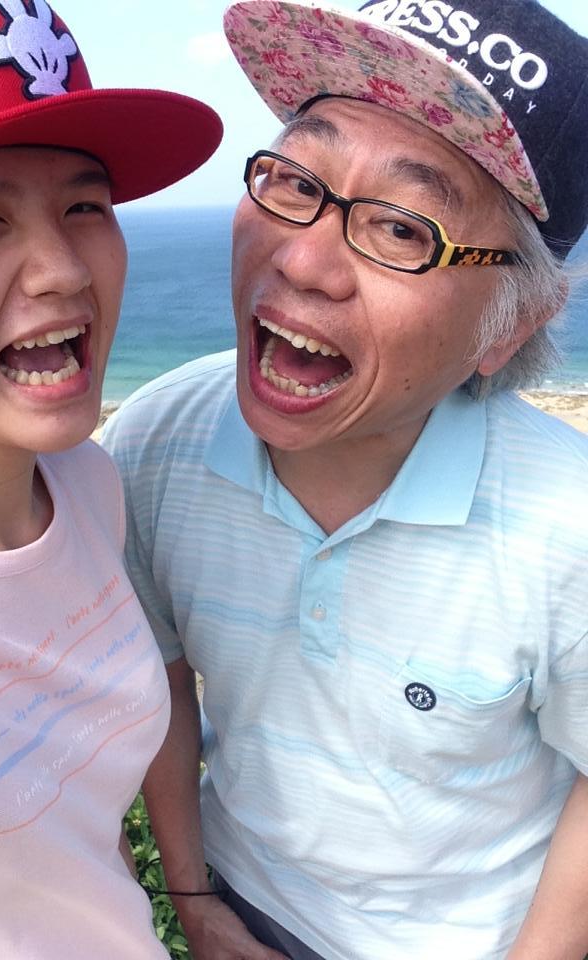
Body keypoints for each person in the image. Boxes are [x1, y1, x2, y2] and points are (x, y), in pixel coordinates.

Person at [102, 1, 588, 958]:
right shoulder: (157, 439)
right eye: (296, 181)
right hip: (242, 902)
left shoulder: (567, 526)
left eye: (403, 229)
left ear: (510, 326)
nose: (302, 259)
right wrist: (192, 896)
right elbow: (162, 669)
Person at [0, 0, 222, 957]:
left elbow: (69, 808)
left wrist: (183, 896)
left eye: (85, 207)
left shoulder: (83, 485)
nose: (65, 269)